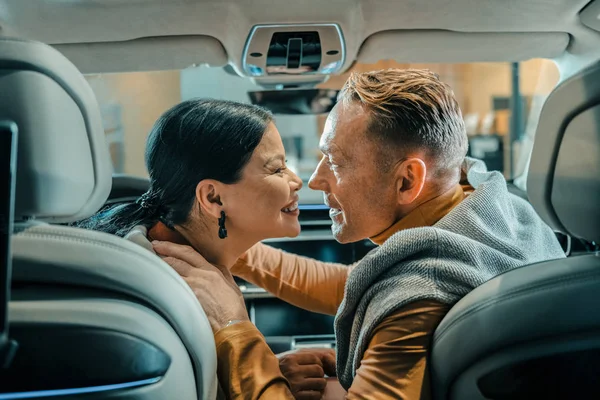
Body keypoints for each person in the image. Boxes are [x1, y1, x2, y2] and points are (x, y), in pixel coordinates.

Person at [152, 69, 566, 400]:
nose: (315, 181)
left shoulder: (422, 292)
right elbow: (360, 287)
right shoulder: (494, 210)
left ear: (407, 181)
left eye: (335, 162)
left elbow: (402, 302)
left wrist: (234, 329)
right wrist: (228, 250)